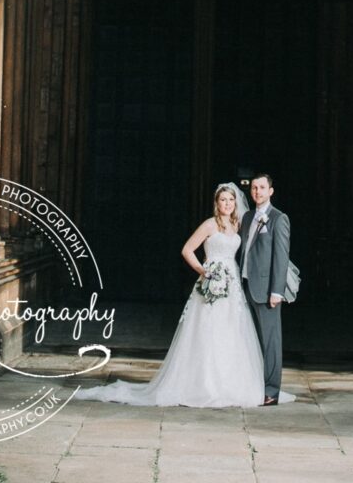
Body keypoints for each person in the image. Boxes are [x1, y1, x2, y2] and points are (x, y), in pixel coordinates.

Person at [75, 183, 289, 407]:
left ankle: (231, 384)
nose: (227, 204)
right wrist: (204, 271)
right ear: (216, 203)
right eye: (223, 200)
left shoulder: (239, 224)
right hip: (211, 281)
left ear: (236, 203)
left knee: (233, 333)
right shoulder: (209, 224)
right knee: (208, 331)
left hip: (233, 285)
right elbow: (187, 249)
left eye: (231, 200)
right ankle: (203, 385)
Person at [239, 172, 290, 405]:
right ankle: (253, 384)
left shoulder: (279, 219)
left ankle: (271, 390)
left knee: (271, 341)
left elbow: (281, 256)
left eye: (262, 188)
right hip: (246, 284)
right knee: (251, 339)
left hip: (266, 289)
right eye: (254, 188)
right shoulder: (248, 217)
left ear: (270, 191)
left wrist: (276, 291)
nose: (257, 192)